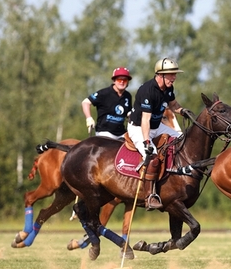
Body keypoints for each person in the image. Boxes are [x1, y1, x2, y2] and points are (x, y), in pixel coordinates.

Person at [127, 58, 192, 210]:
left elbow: (173, 104)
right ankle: (150, 196)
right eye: (171, 75)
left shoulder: (168, 88)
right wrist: (146, 142)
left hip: (157, 126)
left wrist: (182, 111)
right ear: (160, 75)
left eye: (174, 74)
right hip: (139, 127)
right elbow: (145, 119)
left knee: (182, 139)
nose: (174, 77)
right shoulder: (147, 90)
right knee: (152, 159)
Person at [81, 67, 133, 140]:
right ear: (114, 80)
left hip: (121, 133)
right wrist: (89, 118)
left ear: (128, 82)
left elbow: (128, 113)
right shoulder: (104, 93)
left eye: (124, 80)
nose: (122, 82)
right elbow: (86, 102)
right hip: (104, 132)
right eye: (119, 79)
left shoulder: (128, 96)